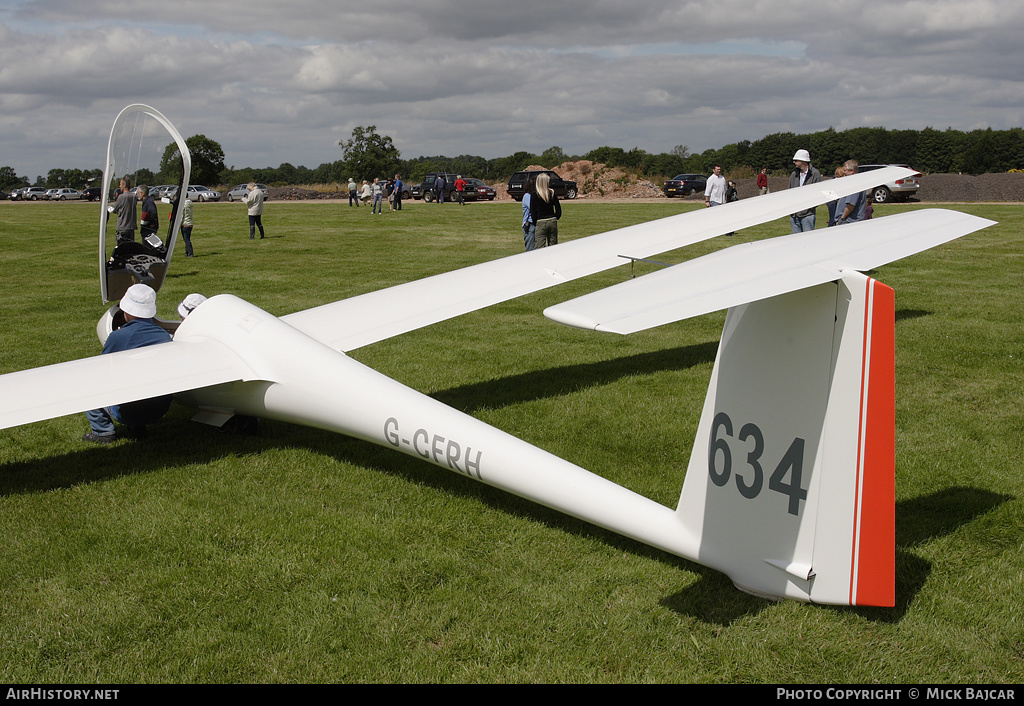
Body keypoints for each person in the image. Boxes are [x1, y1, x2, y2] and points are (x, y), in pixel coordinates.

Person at [82, 284, 173, 443]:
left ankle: (102, 432)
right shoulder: (165, 336)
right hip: (160, 408)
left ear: (128, 312)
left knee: (88, 383)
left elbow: (104, 370)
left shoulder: (119, 337)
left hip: (128, 410)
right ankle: (137, 427)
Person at [788, 149, 822, 232]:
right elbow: (789, 191)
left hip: (808, 215)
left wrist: (809, 208)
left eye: (796, 160)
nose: (794, 162)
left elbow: (819, 193)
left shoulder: (815, 174)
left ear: (803, 161)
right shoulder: (794, 174)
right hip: (794, 215)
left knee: (808, 240)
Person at [530, 172, 561, 248]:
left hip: (541, 221)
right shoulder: (552, 193)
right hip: (552, 220)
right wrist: (556, 216)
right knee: (553, 246)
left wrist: (536, 222)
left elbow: (533, 211)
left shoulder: (534, 195)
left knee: (539, 247)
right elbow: (558, 208)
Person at [833, 160, 868, 225]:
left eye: (845, 171)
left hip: (849, 221)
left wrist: (842, 218)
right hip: (849, 220)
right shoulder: (854, 182)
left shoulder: (855, 183)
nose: (843, 173)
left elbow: (851, 204)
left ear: (852, 171)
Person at [111, 178, 137, 244]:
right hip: (131, 227)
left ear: (124, 185)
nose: (119, 186)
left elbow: (113, 209)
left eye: (120, 184)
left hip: (123, 226)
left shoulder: (121, 197)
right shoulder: (134, 196)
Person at [521, 179, 536, 251]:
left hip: (535, 224)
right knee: (530, 249)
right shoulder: (527, 196)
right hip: (530, 225)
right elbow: (533, 207)